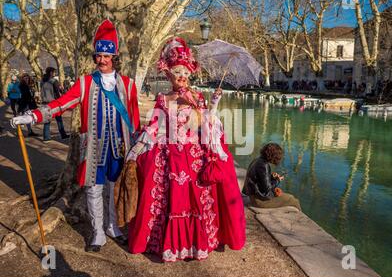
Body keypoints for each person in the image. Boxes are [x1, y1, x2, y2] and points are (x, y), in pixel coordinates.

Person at [11, 20, 140, 253]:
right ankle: (98, 232)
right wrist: (32, 116)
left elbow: (134, 119)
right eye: (98, 55)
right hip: (93, 147)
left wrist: (138, 147)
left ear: (114, 57)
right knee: (93, 189)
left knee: (114, 188)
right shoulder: (85, 83)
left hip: (119, 147)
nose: (101, 60)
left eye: (106, 56)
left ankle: (112, 227)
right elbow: (61, 104)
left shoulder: (129, 85)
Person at [126, 37, 246, 262]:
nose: (182, 76)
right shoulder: (162, 99)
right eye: (177, 72)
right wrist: (136, 150)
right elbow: (154, 128)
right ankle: (167, 243)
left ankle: (194, 244)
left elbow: (204, 124)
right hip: (170, 156)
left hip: (193, 158)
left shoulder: (197, 97)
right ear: (169, 74)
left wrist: (214, 105)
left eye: (185, 73)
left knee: (196, 199)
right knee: (168, 198)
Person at [242, 142, 301, 211]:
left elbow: (259, 180)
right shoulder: (264, 165)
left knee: (290, 197)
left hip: (253, 196)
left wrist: (271, 177)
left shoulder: (257, 160)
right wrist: (278, 180)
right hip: (259, 201)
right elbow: (267, 188)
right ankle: (303, 221)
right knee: (293, 200)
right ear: (273, 156)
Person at [40, 67, 70, 142]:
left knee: (47, 120)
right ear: (51, 72)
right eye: (53, 72)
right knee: (59, 119)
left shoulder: (42, 81)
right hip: (54, 102)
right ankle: (63, 134)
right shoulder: (54, 81)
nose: (54, 73)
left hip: (45, 102)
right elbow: (57, 92)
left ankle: (46, 138)